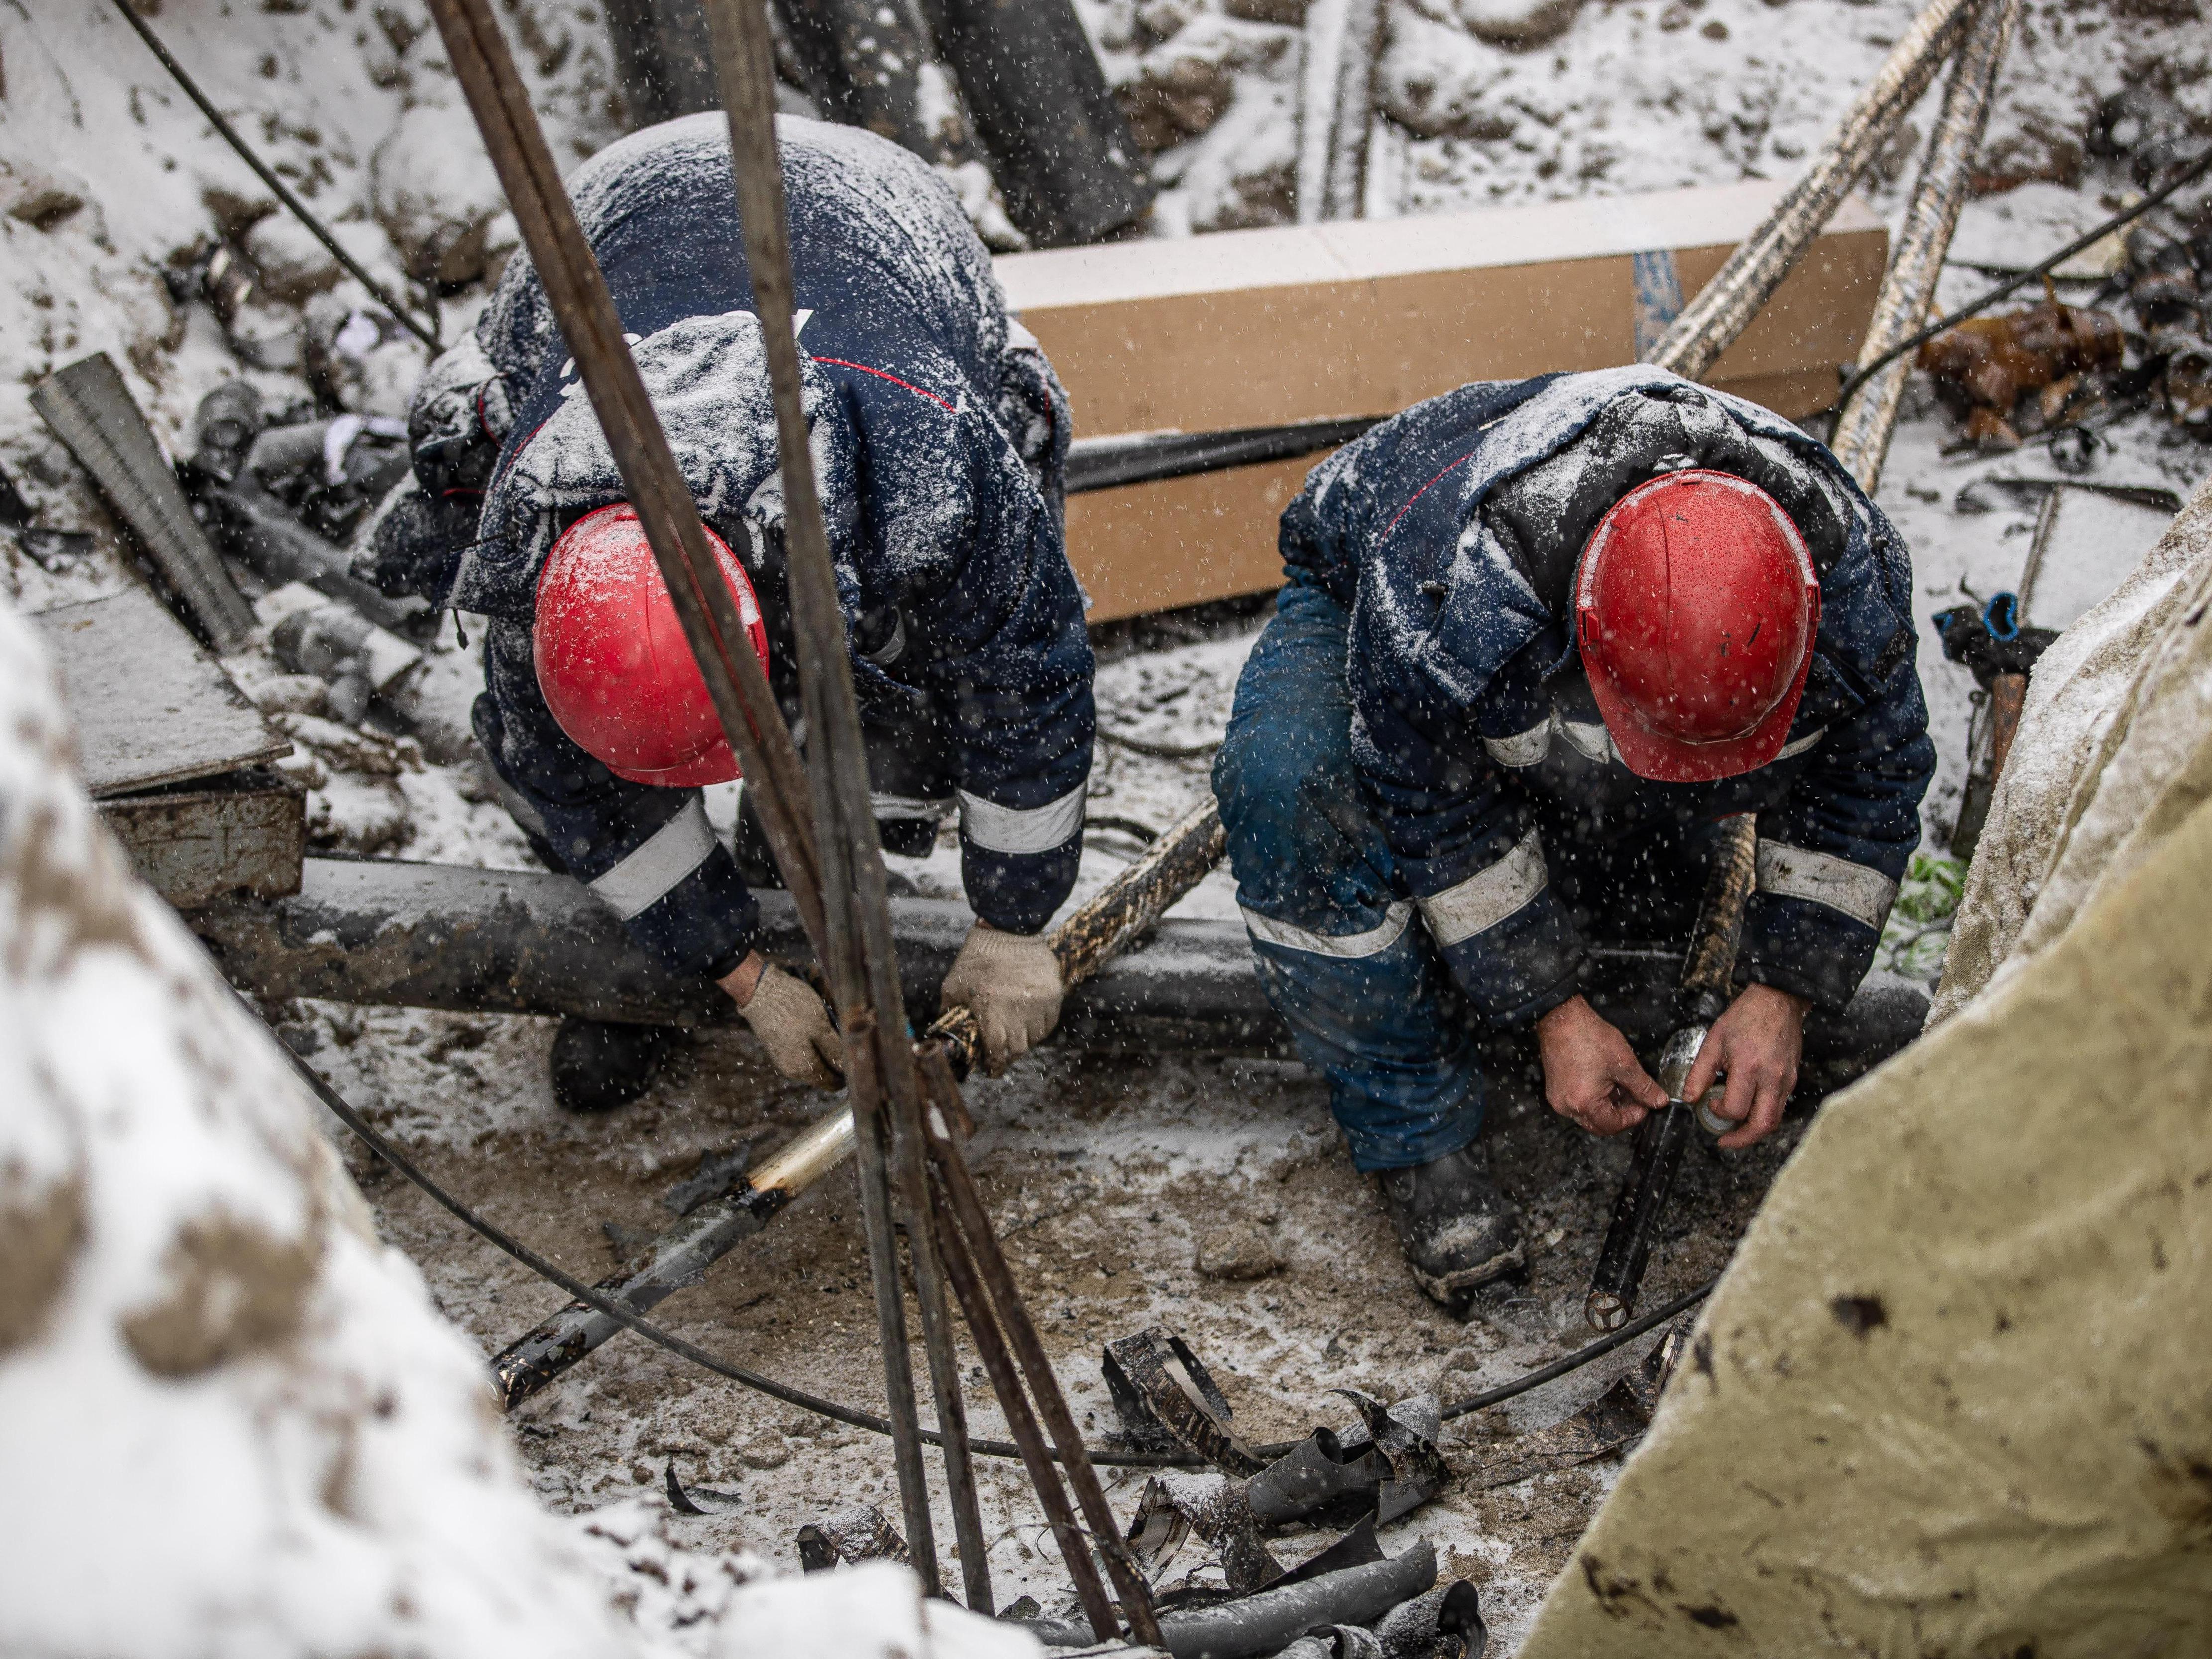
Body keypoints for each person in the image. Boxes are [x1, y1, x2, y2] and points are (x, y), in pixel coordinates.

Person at [367, 113, 1092, 1109]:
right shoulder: (529, 555)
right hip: (605, 223)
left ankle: (839, 820)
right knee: (560, 780)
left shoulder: (924, 461)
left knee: (928, 673)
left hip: (869, 211)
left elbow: (1024, 671)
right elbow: (567, 778)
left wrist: (1014, 919)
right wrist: (737, 972)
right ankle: (654, 952)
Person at [1212, 368, 1935, 1309]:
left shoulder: (1852, 587)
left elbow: (1868, 786)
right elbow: (1434, 804)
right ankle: (1414, 1130)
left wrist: (1785, 990)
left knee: (1635, 871)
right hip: (1369, 584)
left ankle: (1621, 902)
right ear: (1586, 638)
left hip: (1599, 649)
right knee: (1290, 790)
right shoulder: (1451, 592)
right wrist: (1552, 1007)